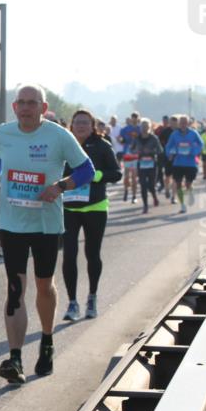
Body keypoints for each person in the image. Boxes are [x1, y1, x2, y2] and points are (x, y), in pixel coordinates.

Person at [0, 85, 94, 384]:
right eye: (21, 103)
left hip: (46, 224)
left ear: (43, 108)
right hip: (11, 223)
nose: (26, 108)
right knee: (15, 289)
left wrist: (59, 187)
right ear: (14, 106)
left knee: (44, 286)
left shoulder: (59, 135)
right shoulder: (3, 134)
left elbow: (86, 170)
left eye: (33, 103)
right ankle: (15, 358)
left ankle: (47, 340)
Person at [61, 110, 121, 321]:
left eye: (85, 123)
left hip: (95, 207)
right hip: (68, 208)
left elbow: (116, 173)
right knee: (69, 254)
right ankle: (72, 303)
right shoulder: (64, 145)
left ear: (92, 125)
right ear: (72, 125)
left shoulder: (102, 145)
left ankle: (92, 297)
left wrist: (94, 176)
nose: (81, 126)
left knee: (92, 253)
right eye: (77, 122)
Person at [165, 115, 204, 214]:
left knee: (188, 184)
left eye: (185, 122)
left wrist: (193, 152)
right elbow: (168, 146)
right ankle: (183, 205)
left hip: (190, 163)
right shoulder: (174, 134)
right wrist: (169, 154)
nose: (183, 124)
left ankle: (190, 192)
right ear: (178, 123)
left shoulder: (193, 133)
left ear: (188, 123)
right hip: (178, 162)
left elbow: (201, 144)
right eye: (181, 122)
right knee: (178, 184)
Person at [131, 118, 163, 213]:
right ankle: (145, 205)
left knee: (151, 185)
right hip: (141, 164)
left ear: (149, 127)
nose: (144, 128)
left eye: (146, 127)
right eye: (143, 127)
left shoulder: (154, 138)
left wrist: (151, 151)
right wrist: (137, 151)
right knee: (143, 185)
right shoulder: (137, 138)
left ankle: (154, 196)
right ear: (140, 128)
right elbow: (132, 149)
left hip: (152, 164)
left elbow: (160, 150)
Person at [118, 112, 140, 202]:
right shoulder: (125, 129)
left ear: (138, 119)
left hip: (136, 154)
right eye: (133, 118)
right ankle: (126, 190)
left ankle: (134, 196)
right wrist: (123, 142)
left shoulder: (141, 129)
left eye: (136, 118)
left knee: (134, 176)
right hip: (127, 154)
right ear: (131, 119)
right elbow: (120, 138)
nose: (134, 119)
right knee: (126, 176)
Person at [156, 115, 176, 200]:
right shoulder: (165, 131)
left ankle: (173, 196)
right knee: (168, 176)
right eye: (172, 122)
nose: (173, 124)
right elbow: (159, 142)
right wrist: (164, 148)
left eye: (175, 122)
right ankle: (167, 189)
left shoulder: (179, 132)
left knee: (176, 177)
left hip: (177, 157)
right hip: (167, 156)